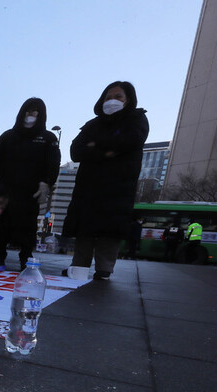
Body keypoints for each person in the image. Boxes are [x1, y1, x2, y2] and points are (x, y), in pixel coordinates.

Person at [62, 81, 149, 280]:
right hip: (89, 187)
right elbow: (76, 151)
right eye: (108, 97)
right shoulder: (93, 124)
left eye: (118, 97)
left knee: (110, 230)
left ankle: (104, 269)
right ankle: (79, 267)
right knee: (84, 229)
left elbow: (131, 141)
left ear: (128, 100)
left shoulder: (137, 119)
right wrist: (108, 151)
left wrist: (95, 146)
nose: (112, 101)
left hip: (119, 186)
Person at [0, 98, 61, 270]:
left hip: (30, 191)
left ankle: (25, 257)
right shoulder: (8, 136)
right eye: (28, 110)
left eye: (35, 111)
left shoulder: (48, 138)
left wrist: (47, 182)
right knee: (2, 224)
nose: (31, 114)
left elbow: (53, 162)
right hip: (5, 189)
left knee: (27, 225)